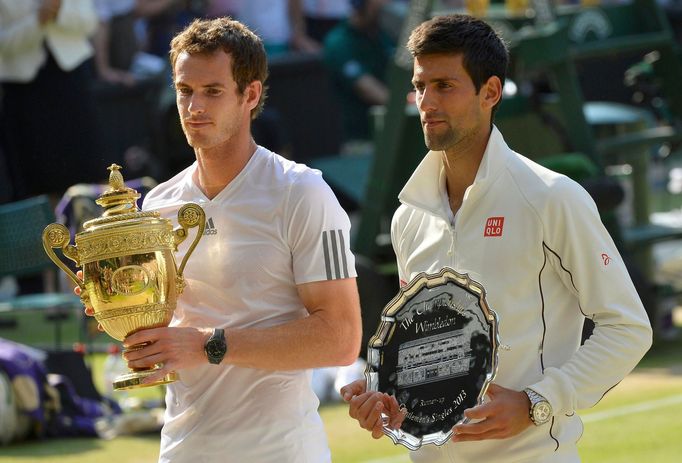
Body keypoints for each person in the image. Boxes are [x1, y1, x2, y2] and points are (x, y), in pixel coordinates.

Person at [340, 14, 652, 463]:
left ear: (491, 92)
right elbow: (427, 351)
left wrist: (536, 403)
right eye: (420, 86)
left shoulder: (551, 197)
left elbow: (628, 327)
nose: (426, 102)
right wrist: (385, 393)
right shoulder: (408, 217)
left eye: (444, 85)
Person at [78, 17, 362, 462]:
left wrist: (209, 345)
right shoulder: (157, 203)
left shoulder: (302, 191)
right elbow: (173, 331)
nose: (194, 107)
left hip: (280, 452)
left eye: (212, 91)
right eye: (184, 90)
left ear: (250, 95)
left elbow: (341, 337)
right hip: (183, 448)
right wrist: (121, 307)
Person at [0, 0, 103, 198]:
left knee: (90, 171)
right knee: (38, 182)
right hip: (22, 92)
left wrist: (58, 11)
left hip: (72, 80)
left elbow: (89, 22)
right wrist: (37, 20)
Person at [323, 0, 393, 145]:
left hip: (393, 134)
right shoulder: (339, 42)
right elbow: (369, 90)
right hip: (360, 141)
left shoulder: (385, 34)